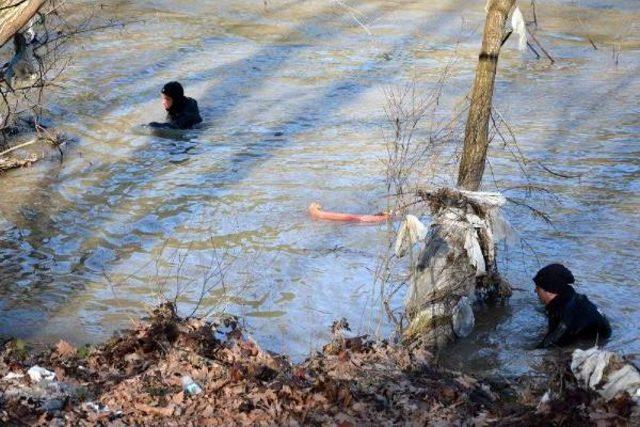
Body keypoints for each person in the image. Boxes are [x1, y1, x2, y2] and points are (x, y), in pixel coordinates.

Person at [534, 263, 611, 348]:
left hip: (598, 341)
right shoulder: (570, 297)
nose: (535, 291)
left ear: (549, 289)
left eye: (538, 287)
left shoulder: (567, 315)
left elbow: (549, 345)